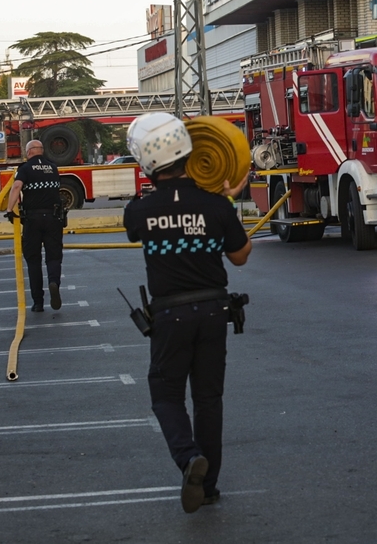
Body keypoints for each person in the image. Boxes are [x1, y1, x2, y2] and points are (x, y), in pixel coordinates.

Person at [123, 112, 251, 514]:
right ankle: (208, 485)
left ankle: (188, 457)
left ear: (146, 160)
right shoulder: (216, 205)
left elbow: (136, 229)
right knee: (209, 399)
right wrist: (230, 201)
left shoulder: (139, 211)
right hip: (215, 309)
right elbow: (241, 256)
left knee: (165, 395)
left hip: (169, 315)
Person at [6, 140, 64, 313]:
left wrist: (10, 209)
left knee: (33, 260)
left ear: (29, 152)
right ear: (42, 151)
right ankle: (54, 282)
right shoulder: (53, 167)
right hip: (53, 218)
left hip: (32, 219)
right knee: (53, 257)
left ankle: (38, 302)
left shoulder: (25, 168)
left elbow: (17, 186)